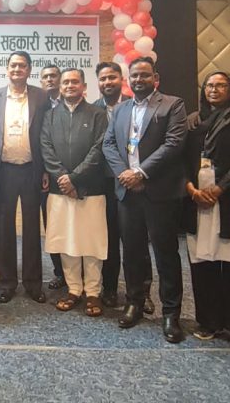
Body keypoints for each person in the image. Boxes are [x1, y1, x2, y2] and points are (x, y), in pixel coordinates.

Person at [102, 56, 187, 342]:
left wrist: (140, 172)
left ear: (155, 78)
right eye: (134, 76)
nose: (138, 80)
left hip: (159, 191)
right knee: (132, 251)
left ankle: (171, 313)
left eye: (144, 75)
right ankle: (134, 303)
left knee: (165, 254)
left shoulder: (172, 105)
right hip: (127, 192)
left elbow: (174, 143)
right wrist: (124, 173)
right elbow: (108, 144)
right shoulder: (121, 109)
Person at [183, 72, 230, 351]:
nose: (214, 90)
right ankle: (208, 322)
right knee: (203, 264)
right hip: (197, 200)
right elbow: (180, 158)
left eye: (220, 85)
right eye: (209, 85)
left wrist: (221, 188)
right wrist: (190, 188)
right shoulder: (193, 120)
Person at [0, 51, 50, 303]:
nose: (17, 69)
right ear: (7, 69)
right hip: (4, 170)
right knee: (4, 227)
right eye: (13, 65)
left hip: (32, 168)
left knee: (32, 227)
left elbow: (46, 134)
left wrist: (45, 169)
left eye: (22, 65)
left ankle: (33, 283)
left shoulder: (41, 96)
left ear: (29, 69)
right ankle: (7, 282)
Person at [41, 69, 110, 317]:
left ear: (83, 86)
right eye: (66, 82)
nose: (70, 85)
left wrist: (74, 178)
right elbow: (46, 149)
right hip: (60, 191)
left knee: (91, 243)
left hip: (91, 189)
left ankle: (93, 292)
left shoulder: (98, 114)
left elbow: (99, 150)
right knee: (66, 241)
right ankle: (73, 289)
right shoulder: (49, 116)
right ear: (60, 87)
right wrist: (64, 178)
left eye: (74, 82)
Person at [92, 61, 135, 308]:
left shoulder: (135, 105)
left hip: (131, 181)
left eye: (112, 77)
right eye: (103, 78)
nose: (107, 82)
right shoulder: (92, 109)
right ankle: (109, 288)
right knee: (108, 239)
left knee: (134, 240)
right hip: (103, 184)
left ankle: (140, 292)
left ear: (121, 79)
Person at [38, 64, 66, 290]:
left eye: (53, 76)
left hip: (74, 176)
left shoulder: (73, 103)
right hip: (45, 176)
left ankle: (79, 270)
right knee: (53, 225)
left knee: (74, 224)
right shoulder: (37, 106)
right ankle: (59, 272)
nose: (50, 80)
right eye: (45, 77)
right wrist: (46, 170)